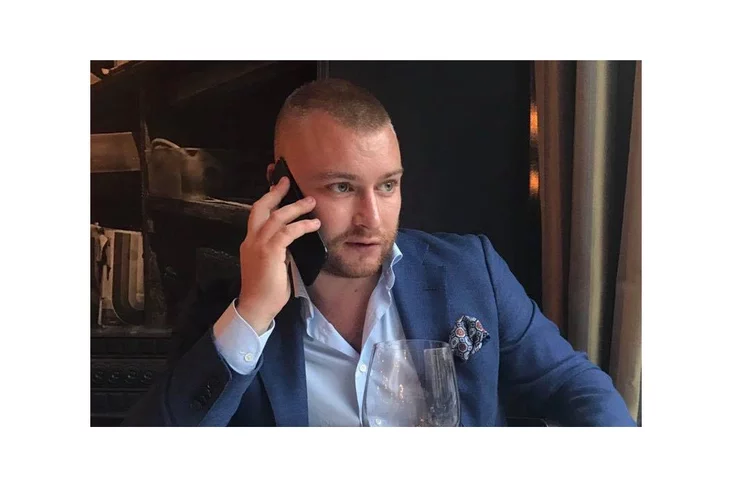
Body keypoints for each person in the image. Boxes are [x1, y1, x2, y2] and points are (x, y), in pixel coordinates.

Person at [124, 78, 636, 427]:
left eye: (387, 185)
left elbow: (574, 385)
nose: (372, 218)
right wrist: (253, 314)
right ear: (280, 185)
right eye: (342, 187)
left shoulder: (470, 269)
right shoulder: (227, 303)